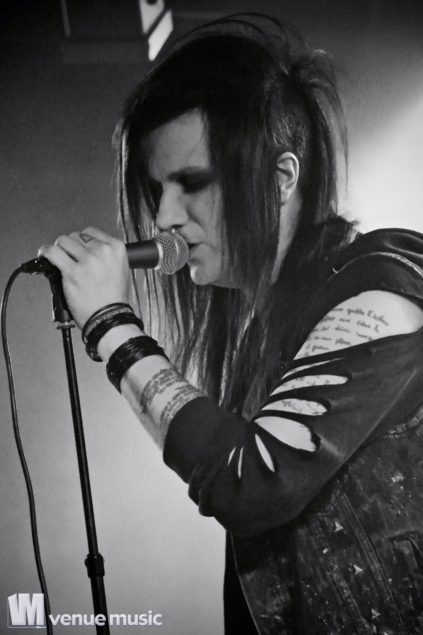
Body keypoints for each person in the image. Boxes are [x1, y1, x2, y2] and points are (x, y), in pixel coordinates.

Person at [39, 16, 423, 635]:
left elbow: (254, 481)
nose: (164, 216)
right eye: (157, 189)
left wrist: (113, 326)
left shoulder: (385, 280)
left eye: (192, 183)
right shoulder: (259, 338)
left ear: (280, 178)